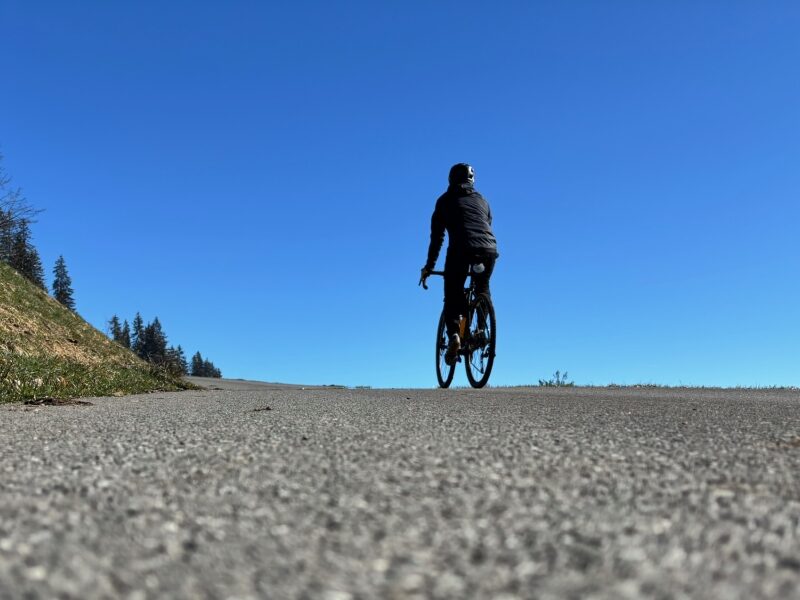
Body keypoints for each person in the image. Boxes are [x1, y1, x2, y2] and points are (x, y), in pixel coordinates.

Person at [420, 163, 499, 364]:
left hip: (461, 250)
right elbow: (486, 224)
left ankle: (455, 333)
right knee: (482, 287)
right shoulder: (482, 200)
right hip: (489, 250)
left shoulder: (444, 201)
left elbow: (437, 239)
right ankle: (481, 330)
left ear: (451, 179)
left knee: (453, 294)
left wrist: (429, 266)